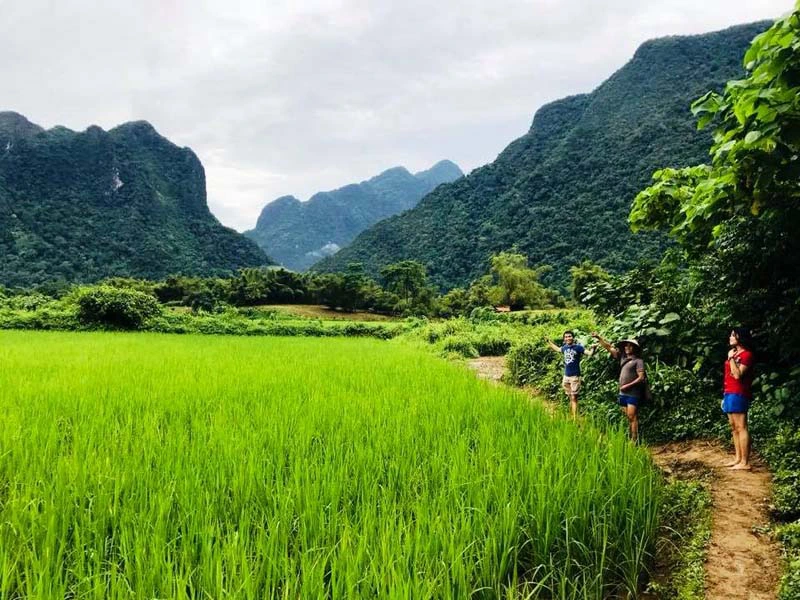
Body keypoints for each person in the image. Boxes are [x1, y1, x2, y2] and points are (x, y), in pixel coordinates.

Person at [591, 333, 646, 442]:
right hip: (623, 393)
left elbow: (641, 378)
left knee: (632, 416)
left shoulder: (638, 361)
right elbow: (608, 347)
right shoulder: (622, 358)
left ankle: (634, 441)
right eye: (626, 346)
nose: (627, 348)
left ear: (635, 348)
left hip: (633, 393)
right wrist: (599, 338)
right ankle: (631, 437)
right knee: (628, 417)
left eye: (630, 346)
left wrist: (627, 385)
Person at [723, 328, 755, 470]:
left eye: (733, 335)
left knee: (741, 427)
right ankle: (738, 458)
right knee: (733, 427)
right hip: (729, 392)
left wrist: (731, 358)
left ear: (740, 337)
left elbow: (737, 375)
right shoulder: (734, 353)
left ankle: (745, 462)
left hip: (739, 393)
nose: (730, 337)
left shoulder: (746, 355)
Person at [545, 330, 591, 417]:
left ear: (573, 337)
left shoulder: (578, 347)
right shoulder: (565, 348)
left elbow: (589, 353)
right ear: (564, 339)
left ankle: (574, 418)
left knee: (574, 397)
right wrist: (548, 342)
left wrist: (593, 349)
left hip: (575, 376)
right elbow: (557, 349)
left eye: (569, 336)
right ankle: (572, 415)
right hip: (566, 376)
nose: (568, 338)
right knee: (570, 397)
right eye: (566, 337)